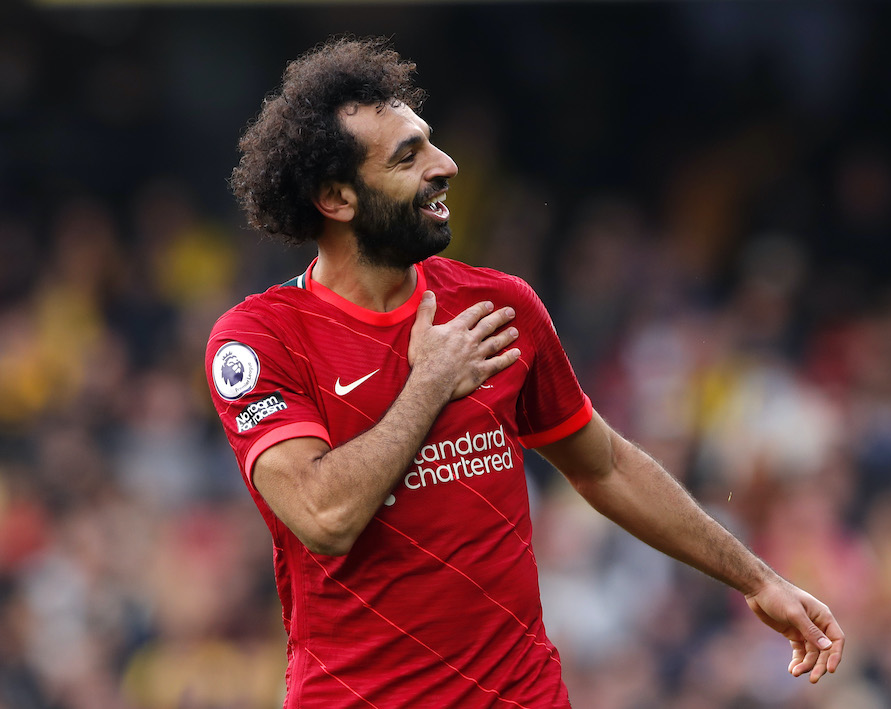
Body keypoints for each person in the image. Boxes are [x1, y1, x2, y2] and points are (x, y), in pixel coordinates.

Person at [206, 35, 845, 708]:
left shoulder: (498, 305)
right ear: (336, 198)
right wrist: (428, 385)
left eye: (430, 141)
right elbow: (323, 515)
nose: (445, 165)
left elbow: (604, 466)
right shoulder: (260, 339)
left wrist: (757, 579)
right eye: (408, 155)